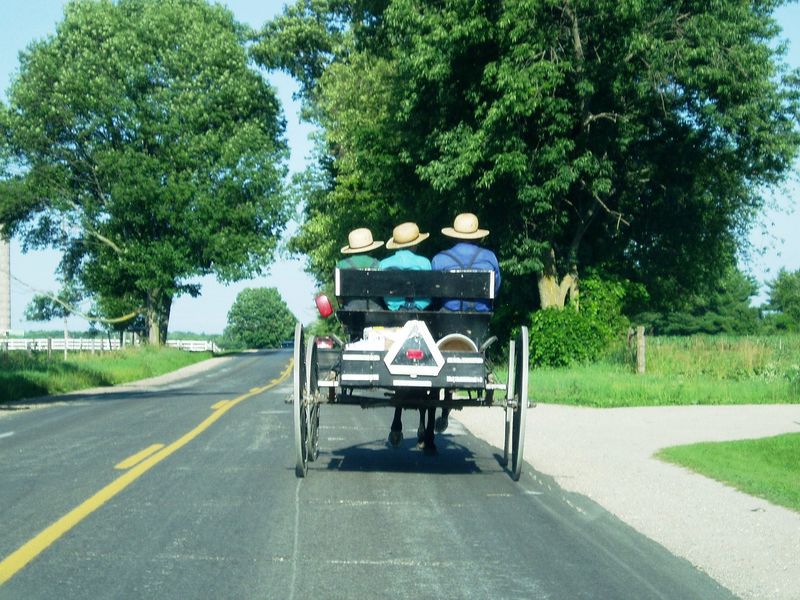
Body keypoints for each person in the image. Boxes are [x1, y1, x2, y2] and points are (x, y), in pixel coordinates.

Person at [430, 212, 501, 433]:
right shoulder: (490, 258)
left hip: (445, 324)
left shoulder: (440, 259)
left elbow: (433, 296)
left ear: (454, 235)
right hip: (477, 325)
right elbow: (495, 291)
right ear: (477, 236)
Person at [380, 222, 433, 449]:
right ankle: (425, 428)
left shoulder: (383, 265)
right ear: (416, 244)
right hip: (422, 318)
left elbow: (381, 297)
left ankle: (397, 422)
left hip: (393, 321)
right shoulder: (425, 263)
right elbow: (432, 294)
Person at [379, 222, 431, 310]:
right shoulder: (425, 262)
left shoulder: (384, 263)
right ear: (416, 244)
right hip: (421, 311)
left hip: (394, 311)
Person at [336, 227, 384, 310]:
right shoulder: (380, 264)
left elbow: (339, 297)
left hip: (350, 311)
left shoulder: (341, 266)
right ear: (371, 247)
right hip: (377, 310)